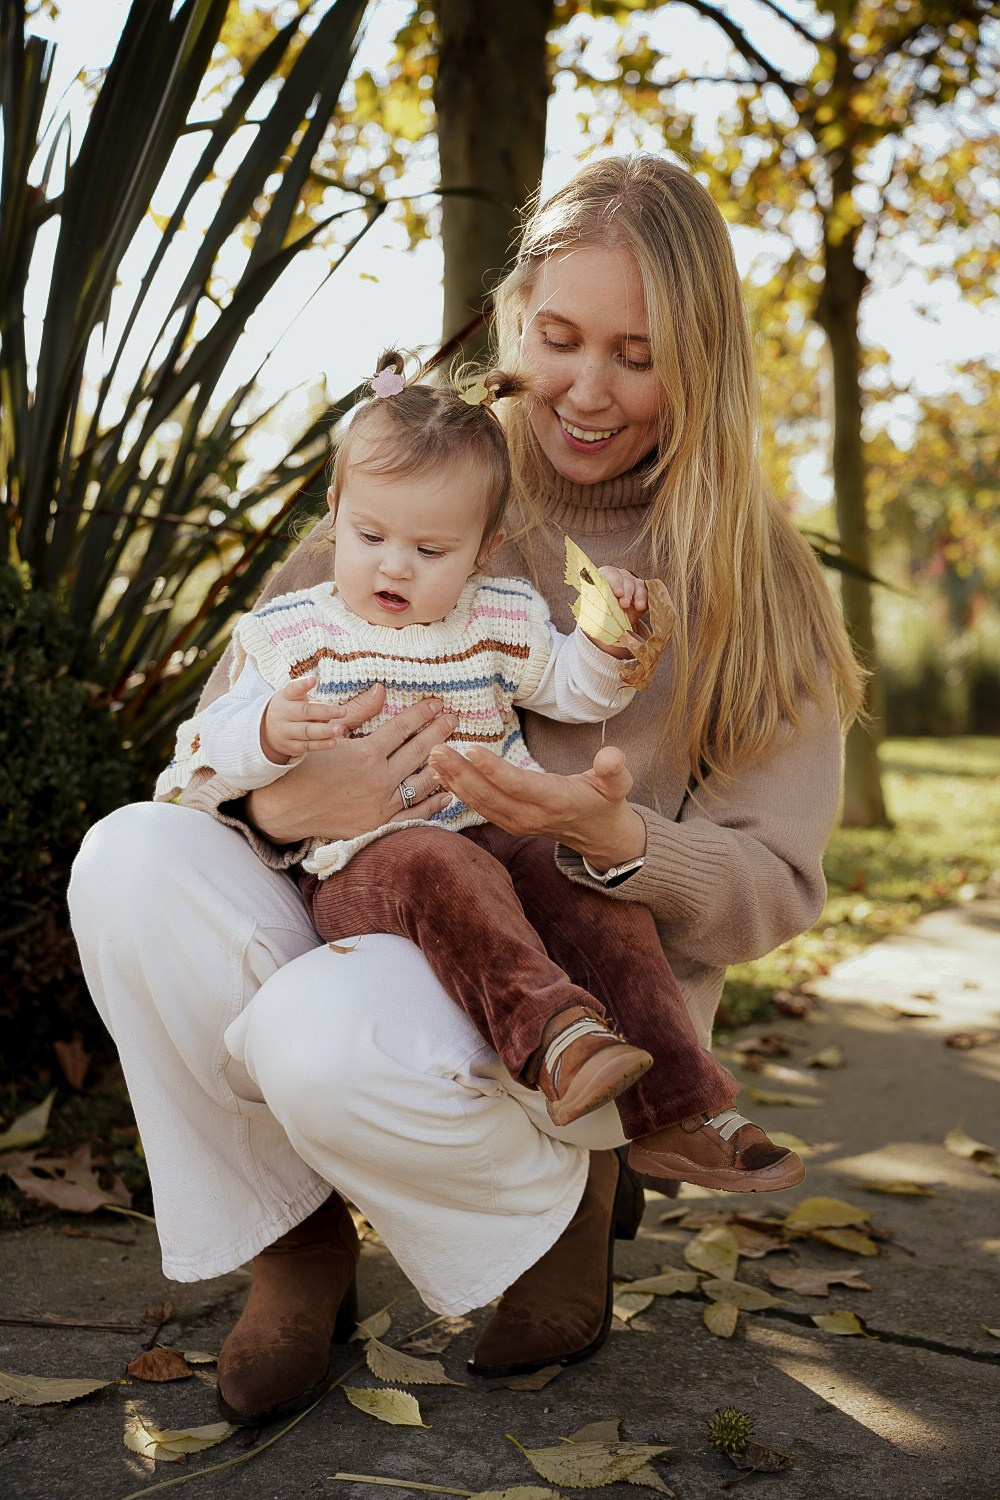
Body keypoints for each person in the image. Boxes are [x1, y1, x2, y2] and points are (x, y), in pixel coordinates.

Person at [69, 154, 863, 1427]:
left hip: (566, 956)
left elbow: (772, 887)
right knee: (125, 862)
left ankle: (572, 1196)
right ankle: (298, 1238)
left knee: (312, 1033)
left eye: (637, 355)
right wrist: (277, 805)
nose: (587, 392)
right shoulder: (412, 484)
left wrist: (615, 836)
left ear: (702, 361)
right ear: (512, 322)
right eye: (557, 338)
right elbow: (214, 744)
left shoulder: (747, 575)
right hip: (359, 892)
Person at [157, 353, 794, 1167]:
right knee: (438, 867)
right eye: (370, 535)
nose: (394, 565)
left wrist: (605, 644)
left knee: (588, 891)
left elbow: (573, 691)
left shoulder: (498, 616)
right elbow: (197, 758)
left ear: (482, 549)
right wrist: (271, 736)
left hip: (492, 831)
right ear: (335, 512)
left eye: (430, 549)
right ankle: (556, 1038)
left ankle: (681, 1107)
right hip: (365, 865)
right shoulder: (290, 634)